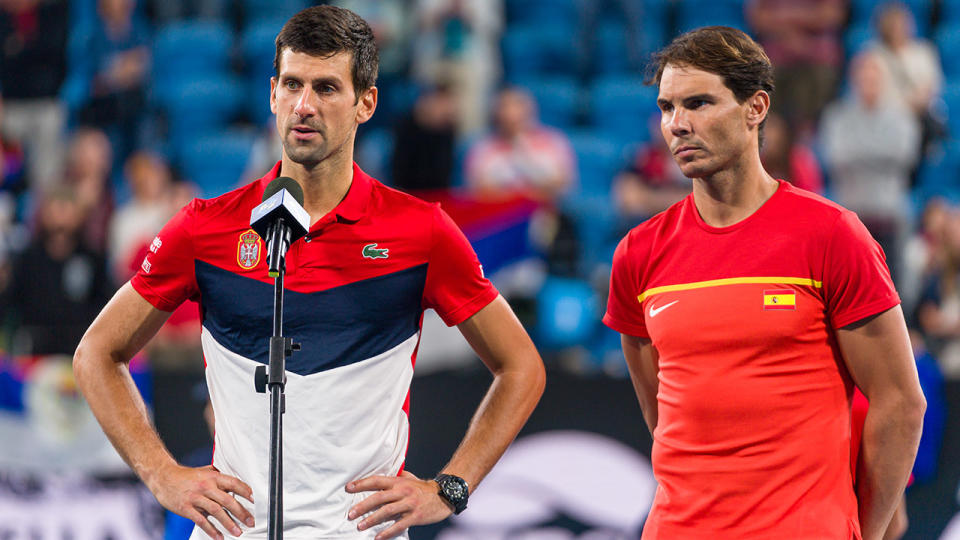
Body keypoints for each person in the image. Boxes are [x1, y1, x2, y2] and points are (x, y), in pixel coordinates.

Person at [73, 6, 545, 540]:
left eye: (326, 88)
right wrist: (161, 476)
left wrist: (449, 488)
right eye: (292, 84)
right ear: (272, 92)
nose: (304, 106)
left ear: (366, 102)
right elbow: (96, 354)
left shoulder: (422, 232)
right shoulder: (205, 228)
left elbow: (521, 367)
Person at [602, 26, 925, 539]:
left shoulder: (833, 235)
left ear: (755, 108)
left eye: (699, 103)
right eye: (667, 108)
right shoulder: (638, 254)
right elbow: (661, 412)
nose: (678, 125)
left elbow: (901, 403)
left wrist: (860, 531)